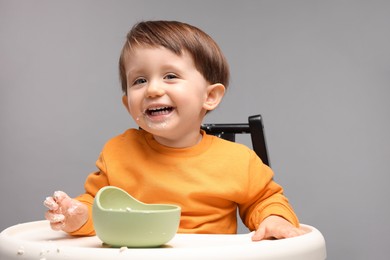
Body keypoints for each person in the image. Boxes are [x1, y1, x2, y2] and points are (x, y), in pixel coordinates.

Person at [44, 20, 306, 241]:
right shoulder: (118, 152)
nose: (153, 89)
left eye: (170, 76)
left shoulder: (238, 161)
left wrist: (274, 219)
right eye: (140, 80)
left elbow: (264, 200)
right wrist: (78, 215)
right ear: (127, 104)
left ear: (210, 96)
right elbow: (98, 205)